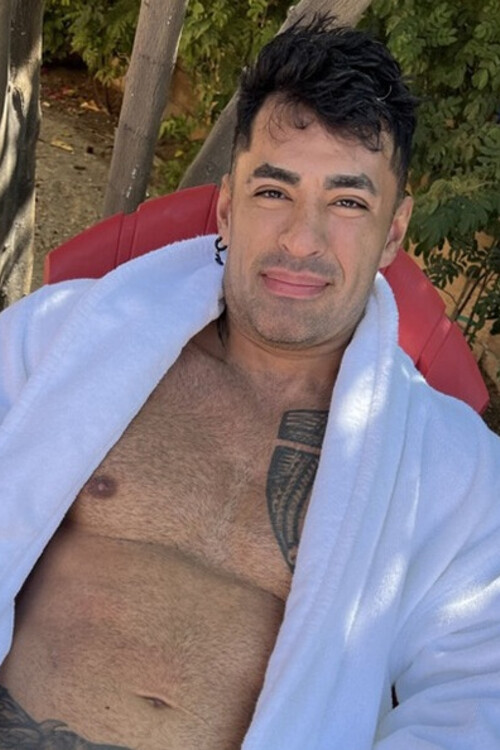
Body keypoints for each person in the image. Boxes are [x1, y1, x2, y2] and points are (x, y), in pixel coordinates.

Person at [0, 14, 499, 750]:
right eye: (274, 192)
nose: (301, 239)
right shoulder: (57, 340)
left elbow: (480, 691)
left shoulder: (454, 470)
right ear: (228, 208)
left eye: (348, 202)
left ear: (393, 232)